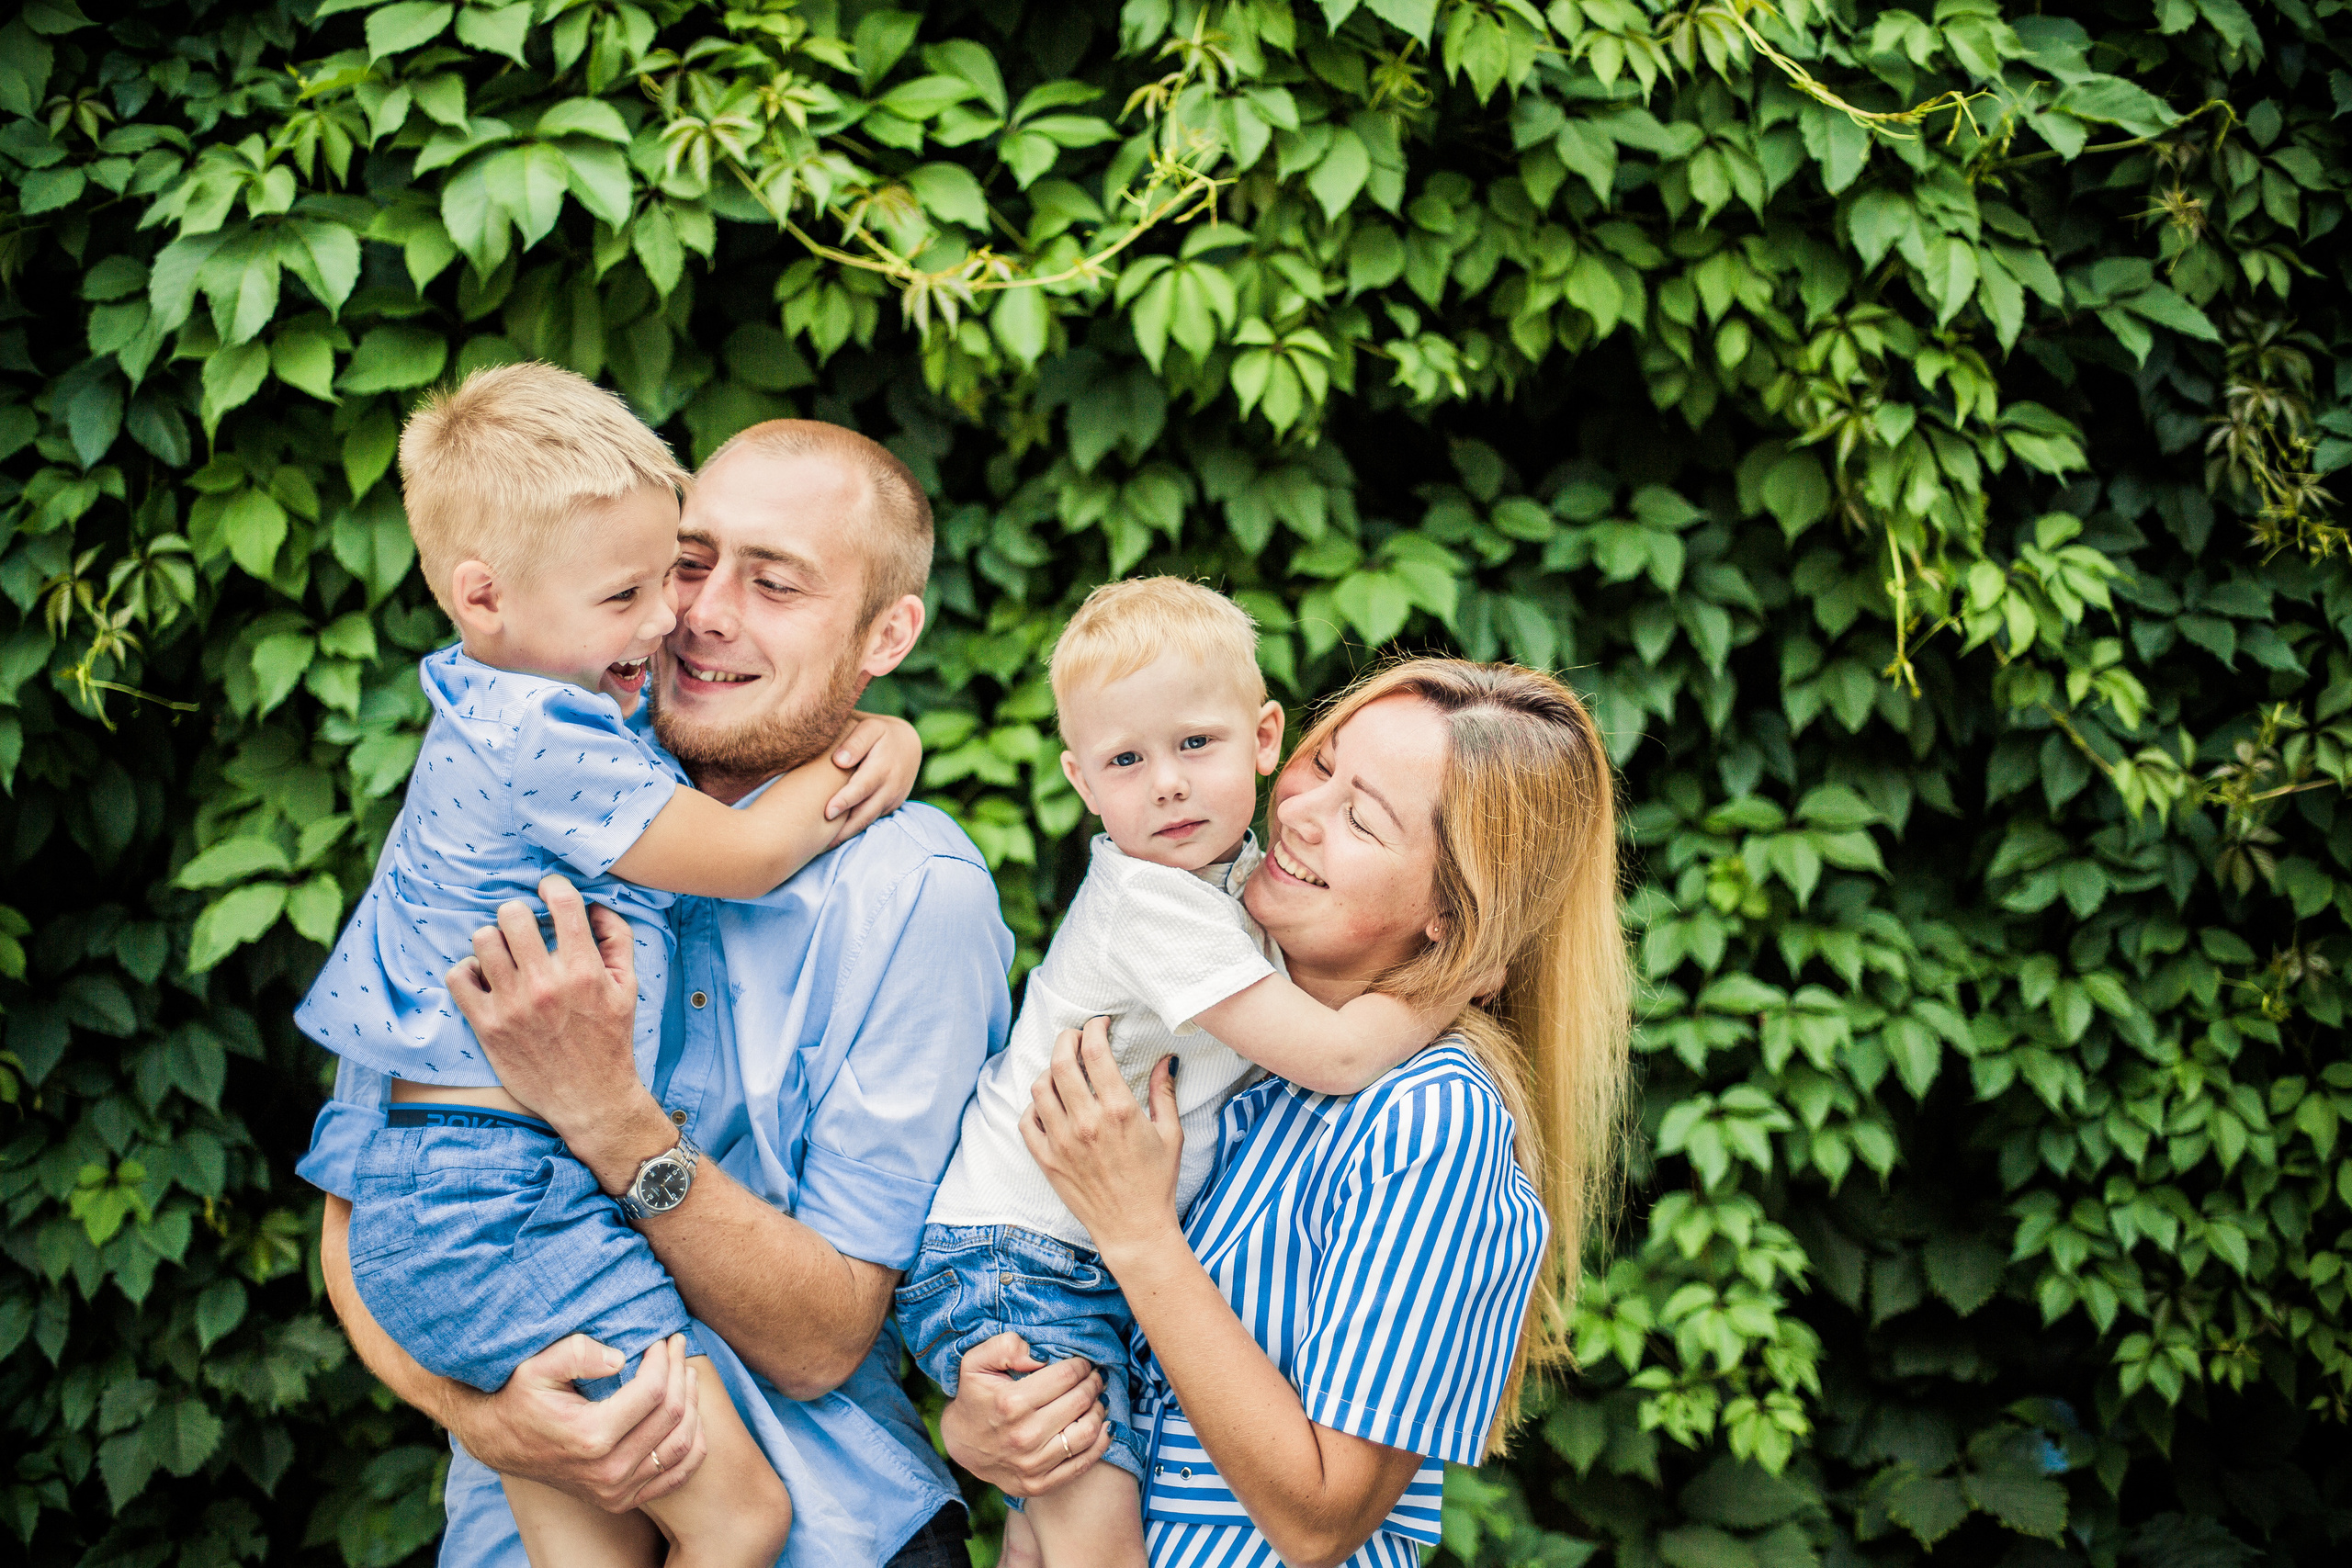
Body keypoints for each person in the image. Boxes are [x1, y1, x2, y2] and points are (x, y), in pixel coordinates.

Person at [301, 418, 1012, 1568]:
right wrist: (481, 1417)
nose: (697, 612)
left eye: (775, 584)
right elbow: (360, 1211)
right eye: (686, 563)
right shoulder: (505, 809)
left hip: (819, 1532)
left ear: (890, 632)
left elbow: (826, 1339)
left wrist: (606, 1116)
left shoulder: (914, 893)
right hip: (513, 1532)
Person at [939, 659, 1633, 1568]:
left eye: (1360, 818)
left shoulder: (1430, 1119)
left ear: (1450, 913)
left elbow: (1320, 1520)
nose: (1299, 811)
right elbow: (1124, 1381)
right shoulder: (1235, 1058)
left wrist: (1138, 1234)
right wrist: (993, 1429)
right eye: (1323, 764)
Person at [899, 581, 1485, 1567]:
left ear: (1260, 737)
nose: (1166, 784)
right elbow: (1337, 1054)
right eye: (1126, 761)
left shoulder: (1235, 893)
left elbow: (1318, 1519)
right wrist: (1459, 975)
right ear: (1081, 781)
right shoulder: (1155, 905)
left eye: (1194, 747)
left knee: (1051, 1537)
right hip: (1024, 1254)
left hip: (1047, 1253)